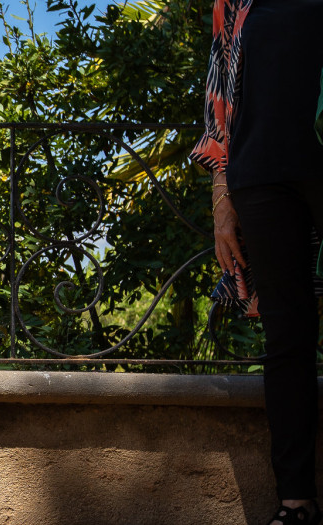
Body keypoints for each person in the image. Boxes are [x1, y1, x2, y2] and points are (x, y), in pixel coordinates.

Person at [192, 0, 323, 524]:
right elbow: (219, 90)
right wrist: (222, 195)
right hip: (261, 174)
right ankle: (296, 503)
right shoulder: (236, 1)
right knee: (286, 339)